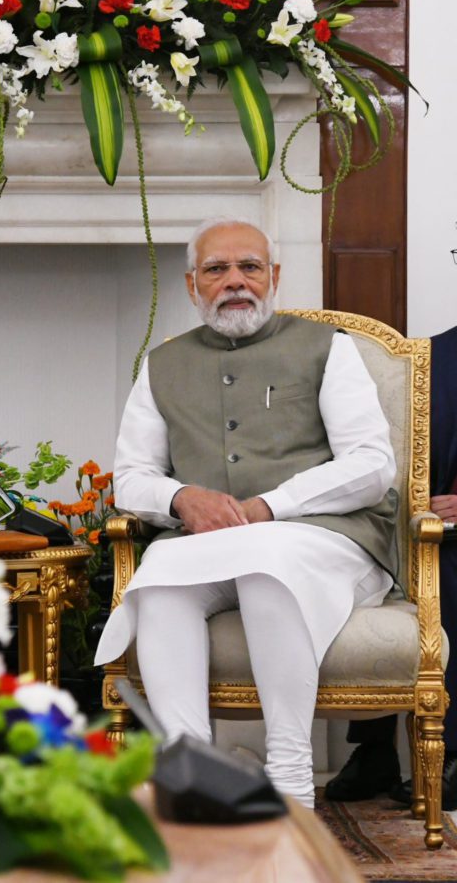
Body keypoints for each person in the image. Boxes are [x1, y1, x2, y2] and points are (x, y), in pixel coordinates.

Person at [94, 217, 397, 807]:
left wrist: (270, 506)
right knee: (158, 581)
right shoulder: (162, 365)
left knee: (266, 560)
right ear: (192, 286)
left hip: (332, 540)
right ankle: (194, 778)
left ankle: (290, 777)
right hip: (216, 546)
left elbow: (371, 464)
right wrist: (181, 499)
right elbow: (130, 478)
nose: (235, 282)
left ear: (274, 276)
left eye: (250, 267)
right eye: (217, 270)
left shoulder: (325, 347)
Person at [326, 324, 457, 807]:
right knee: (381, 555)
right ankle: (375, 749)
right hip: (417, 522)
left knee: (445, 564)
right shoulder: (428, 355)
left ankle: (452, 752)